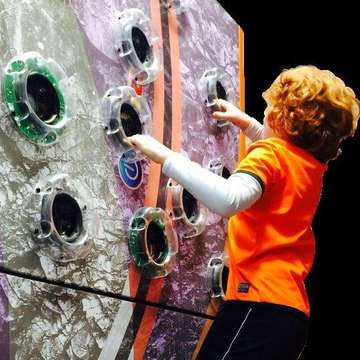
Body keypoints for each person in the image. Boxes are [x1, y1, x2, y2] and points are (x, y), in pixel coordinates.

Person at [126, 65, 359, 360]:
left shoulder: (270, 156)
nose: (265, 112)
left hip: (257, 307)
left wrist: (166, 156)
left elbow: (228, 198)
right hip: (288, 316)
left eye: (270, 107)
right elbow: (279, 152)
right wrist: (246, 123)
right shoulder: (310, 168)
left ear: (284, 118)